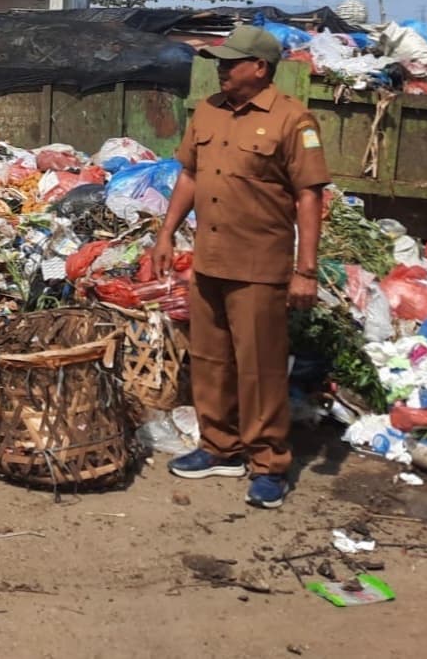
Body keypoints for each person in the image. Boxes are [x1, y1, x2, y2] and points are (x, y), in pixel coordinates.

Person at [152, 26, 329, 509]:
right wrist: (166, 233)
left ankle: (268, 461)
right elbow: (189, 174)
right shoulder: (208, 111)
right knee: (209, 361)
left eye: (231, 62)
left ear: (260, 68)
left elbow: (309, 196)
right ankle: (219, 446)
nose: (221, 69)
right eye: (219, 62)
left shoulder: (292, 120)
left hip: (260, 265)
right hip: (209, 260)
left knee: (260, 368)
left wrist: (305, 269)